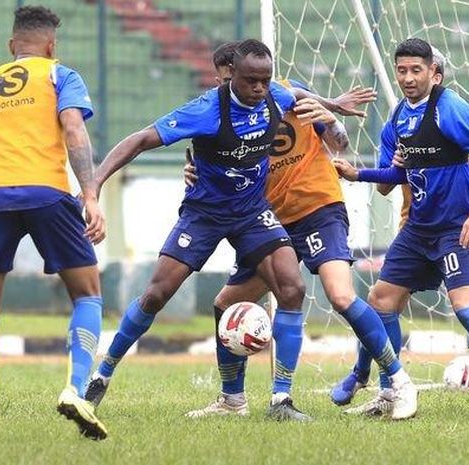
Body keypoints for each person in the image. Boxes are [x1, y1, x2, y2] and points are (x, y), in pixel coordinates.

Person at [85, 39, 320, 421]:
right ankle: (101, 375)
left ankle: (281, 400)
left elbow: (301, 97)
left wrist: (334, 107)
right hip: (204, 215)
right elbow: (141, 139)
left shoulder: (276, 95)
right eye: (250, 81)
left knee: (292, 287)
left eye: (265, 80)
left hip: (251, 212)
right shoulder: (207, 109)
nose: (259, 88)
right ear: (232, 78)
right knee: (157, 294)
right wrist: (95, 183)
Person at [182, 42, 418, 421]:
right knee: (226, 303)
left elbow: (340, 143)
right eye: (229, 83)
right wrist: (192, 171)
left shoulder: (286, 95)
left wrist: (330, 116)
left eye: (249, 82)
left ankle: (397, 383)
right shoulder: (219, 113)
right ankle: (232, 401)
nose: (243, 92)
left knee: (341, 295)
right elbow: (209, 163)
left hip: (319, 208)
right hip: (269, 221)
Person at [332, 38, 469, 420]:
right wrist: (358, 174)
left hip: (457, 228)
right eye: (401, 70)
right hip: (417, 228)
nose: (407, 77)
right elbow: (395, 175)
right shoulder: (399, 118)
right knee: (381, 301)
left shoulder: (451, 109)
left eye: (415, 70)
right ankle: (388, 389)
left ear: (434, 75)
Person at [0, 5, 107, 443]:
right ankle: (75, 389)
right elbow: (74, 130)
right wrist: (90, 194)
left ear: (11, 46)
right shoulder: (60, 76)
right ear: (51, 46)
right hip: (48, 192)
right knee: (88, 295)